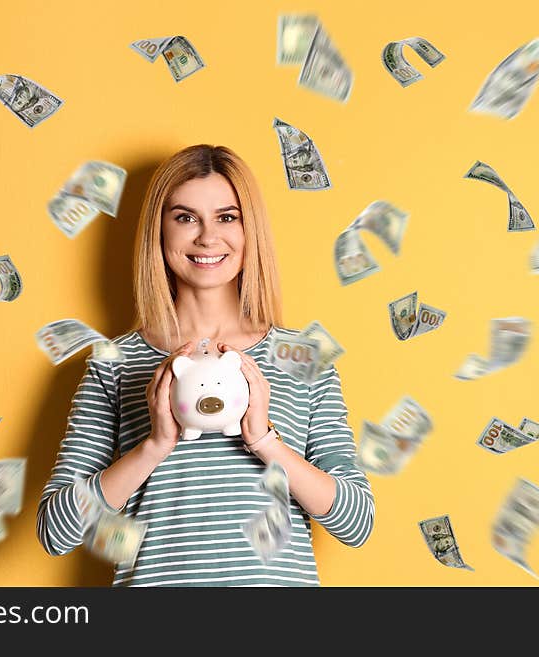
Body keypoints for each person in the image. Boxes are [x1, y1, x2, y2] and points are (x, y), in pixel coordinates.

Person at [37, 144, 375, 586]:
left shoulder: (304, 359)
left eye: (226, 217)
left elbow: (356, 522)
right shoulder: (114, 363)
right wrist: (155, 446)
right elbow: (57, 531)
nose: (207, 237)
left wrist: (264, 440)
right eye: (185, 217)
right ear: (160, 231)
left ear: (249, 228)